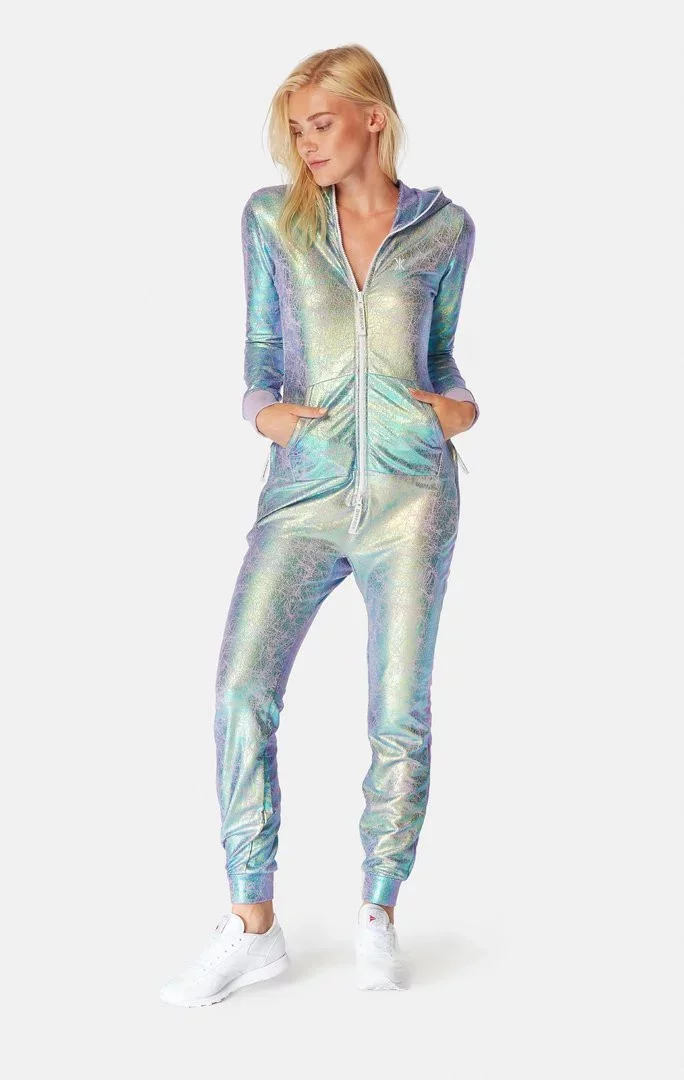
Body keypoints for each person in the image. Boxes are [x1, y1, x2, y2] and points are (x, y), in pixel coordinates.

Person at [159, 43, 479, 1007]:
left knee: (398, 710)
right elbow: (260, 353)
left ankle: (378, 909)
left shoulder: (445, 228)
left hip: (413, 496)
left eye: (322, 124)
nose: (306, 144)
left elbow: (444, 358)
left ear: (373, 118)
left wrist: (458, 407)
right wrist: (265, 414)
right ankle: (252, 924)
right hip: (302, 495)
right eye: (296, 129)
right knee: (240, 690)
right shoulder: (273, 220)